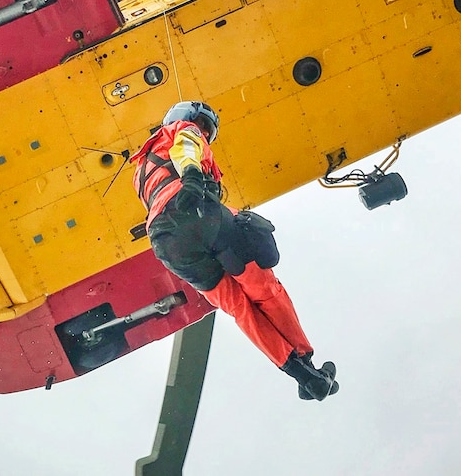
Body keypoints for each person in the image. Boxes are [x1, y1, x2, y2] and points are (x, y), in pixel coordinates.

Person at [130, 101, 339, 400]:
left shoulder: (141, 170)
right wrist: (191, 178)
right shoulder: (183, 132)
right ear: (185, 119)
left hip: (166, 243)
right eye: (202, 124)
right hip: (199, 214)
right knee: (263, 288)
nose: (203, 132)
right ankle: (307, 361)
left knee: (238, 308)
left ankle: (303, 376)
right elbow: (187, 147)